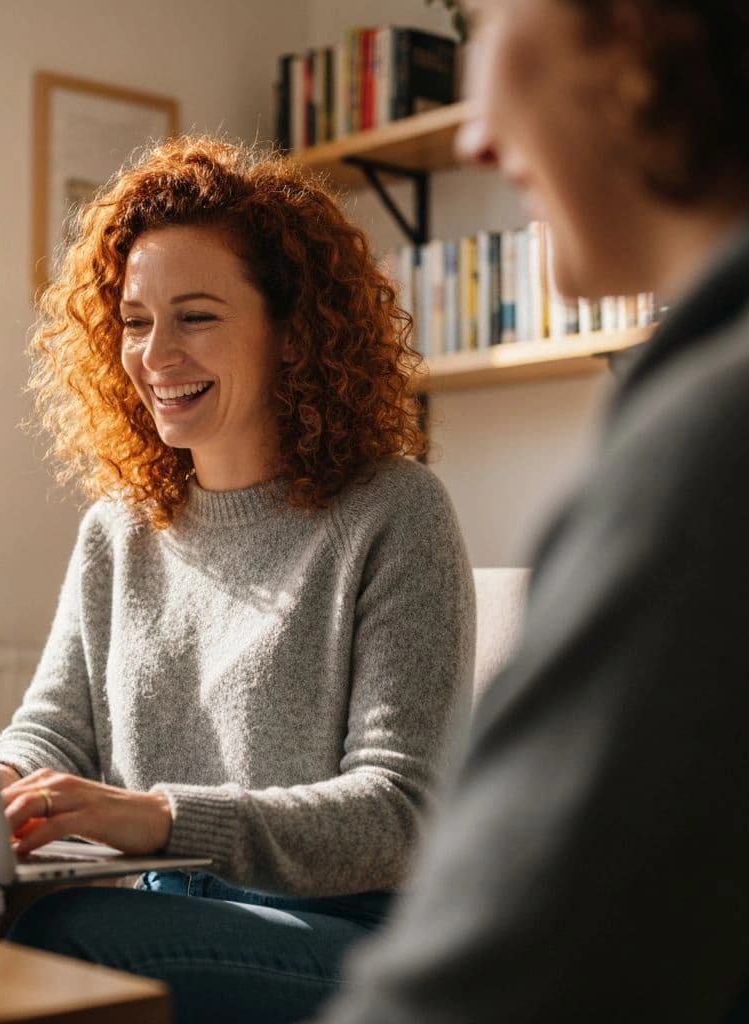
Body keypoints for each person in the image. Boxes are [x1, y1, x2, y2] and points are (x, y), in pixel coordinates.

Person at [309, 1, 749, 1021]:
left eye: (496, 18)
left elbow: (493, 982)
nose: (473, 127)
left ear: (645, 29)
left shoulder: (707, 445)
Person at [0, 137, 476, 1023]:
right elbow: (54, 731)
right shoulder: (118, 530)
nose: (155, 355)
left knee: (71, 939)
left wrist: (160, 819)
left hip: (356, 937)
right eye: (136, 321)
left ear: (293, 334)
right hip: (170, 914)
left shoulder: (395, 512)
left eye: (197, 316)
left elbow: (398, 814)